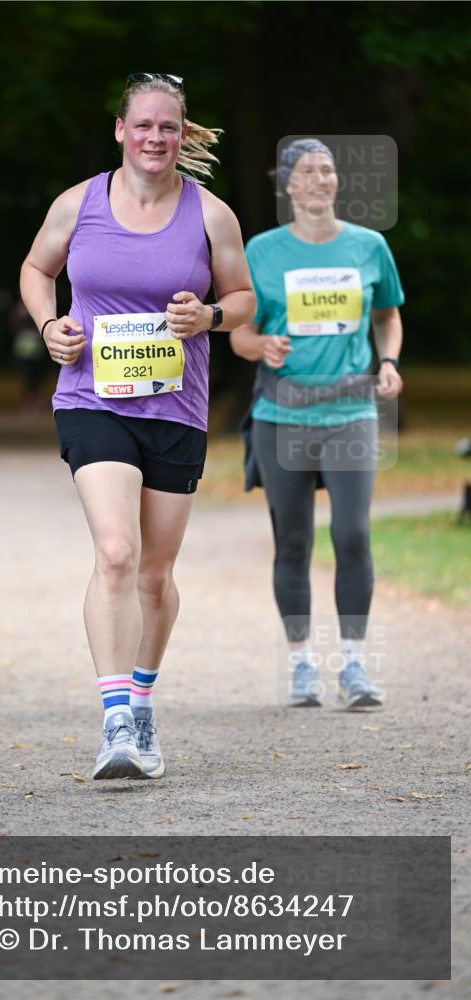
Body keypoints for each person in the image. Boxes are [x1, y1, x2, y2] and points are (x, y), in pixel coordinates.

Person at [20, 73, 254, 778]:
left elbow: (242, 298)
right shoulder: (79, 203)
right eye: (143, 126)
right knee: (116, 553)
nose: (155, 138)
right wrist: (49, 325)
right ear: (120, 130)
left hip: (175, 409)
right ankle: (115, 721)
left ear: (182, 136)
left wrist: (208, 317)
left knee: (155, 574)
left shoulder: (210, 215)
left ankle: (143, 701)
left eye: (168, 128)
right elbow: (36, 270)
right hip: (91, 398)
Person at [230, 138, 404, 710]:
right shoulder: (261, 251)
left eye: (327, 170)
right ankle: (302, 665)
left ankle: (353, 666)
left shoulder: (368, 246)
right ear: (287, 185)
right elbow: (239, 334)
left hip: (351, 410)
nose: (319, 179)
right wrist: (263, 345)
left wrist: (388, 361)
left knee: (352, 535)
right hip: (282, 415)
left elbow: (387, 315)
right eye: (306, 171)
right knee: (293, 543)